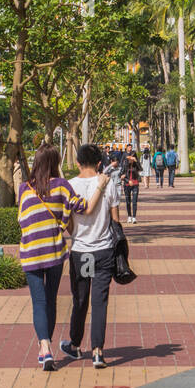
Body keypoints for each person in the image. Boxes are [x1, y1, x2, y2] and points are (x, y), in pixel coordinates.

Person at [18, 143, 109, 371]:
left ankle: (45, 348)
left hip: (31, 253)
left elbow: (21, 220)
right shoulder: (62, 186)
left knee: (38, 302)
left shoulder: (23, 188)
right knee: (50, 300)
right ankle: (49, 346)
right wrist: (99, 186)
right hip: (54, 252)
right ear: (56, 163)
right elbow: (84, 207)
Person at [60, 143, 121, 369]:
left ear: (77, 162)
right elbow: (115, 219)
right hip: (104, 250)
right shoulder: (107, 183)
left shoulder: (70, 186)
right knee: (100, 301)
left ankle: (75, 345)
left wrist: (76, 234)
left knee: (81, 299)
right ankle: (97, 351)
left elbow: (67, 221)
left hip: (81, 252)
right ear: (99, 163)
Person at [121, 144, 141, 223]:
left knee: (135, 201)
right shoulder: (125, 165)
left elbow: (140, 168)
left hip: (135, 183)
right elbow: (121, 174)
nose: (131, 159)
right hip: (127, 184)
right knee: (128, 201)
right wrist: (127, 180)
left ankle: (134, 217)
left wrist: (136, 161)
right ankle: (129, 216)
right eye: (130, 158)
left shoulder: (136, 165)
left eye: (133, 157)